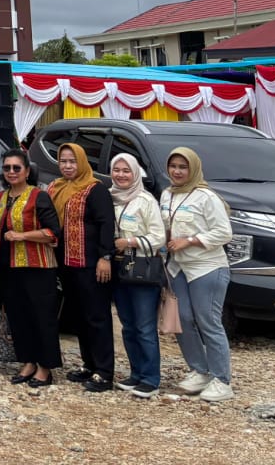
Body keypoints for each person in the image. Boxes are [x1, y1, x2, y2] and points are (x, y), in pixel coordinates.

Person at [161, 147, 235, 403]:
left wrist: (190, 240)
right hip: (177, 267)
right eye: (173, 166)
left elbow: (224, 232)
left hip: (206, 267)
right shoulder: (167, 194)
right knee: (182, 320)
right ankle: (199, 370)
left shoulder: (206, 196)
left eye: (183, 167)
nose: (177, 171)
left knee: (208, 321)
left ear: (193, 169)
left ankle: (221, 379)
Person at [48, 142, 116, 392]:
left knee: (96, 316)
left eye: (72, 161)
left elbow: (106, 224)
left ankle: (105, 372)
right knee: (78, 316)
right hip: (66, 263)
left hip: (91, 264)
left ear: (82, 162)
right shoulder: (55, 187)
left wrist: (104, 257)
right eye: (63, 161)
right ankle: (89, 364)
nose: (67, 166)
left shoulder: (94, 189)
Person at [0, 149, 63, 387]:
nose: (11, 172)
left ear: (27, 171)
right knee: (18, 316)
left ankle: (45, 367)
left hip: (37, 266)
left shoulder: (38, 197)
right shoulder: (0, 197)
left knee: (41, 316)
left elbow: (54, 233)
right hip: (8, 266)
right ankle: (28, 361)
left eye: (16, 168)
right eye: (7, 168)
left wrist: (23, 235)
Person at [108, 153, 166, 399]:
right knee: (128, 326)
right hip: (119, 270)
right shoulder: (109, 198)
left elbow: (159, 237)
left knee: (144, 326)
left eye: (126, 171)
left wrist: (129, 241)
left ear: (135, 173)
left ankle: (151, 378)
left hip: (141, 268)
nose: (121, 175)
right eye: (117, 170)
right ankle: (136, 373)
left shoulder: (145, 201)